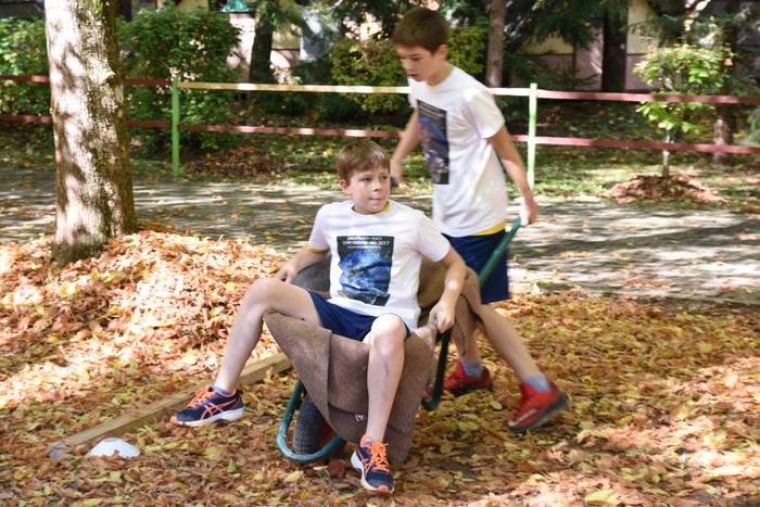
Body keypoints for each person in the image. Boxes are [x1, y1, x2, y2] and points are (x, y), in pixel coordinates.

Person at [171, 139, 467, 495]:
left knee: (389, 328)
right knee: (262, 289)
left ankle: (370, 446)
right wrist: (294, 264)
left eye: (383, 178)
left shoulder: (412, 221)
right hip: (338, 311)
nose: (377, 187)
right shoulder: (331, 215)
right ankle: (224, 394)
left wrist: (448, 300)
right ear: (345, 185)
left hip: (385, 320)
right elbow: (316, 249)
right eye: (366, 179)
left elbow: (456, 264)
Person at [390, 7, 568, 432]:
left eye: (416, 58)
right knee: (455, 298)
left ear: (440, 51)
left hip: (479, 216)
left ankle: (538, 387)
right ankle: (471, 370)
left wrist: (527, 199)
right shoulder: (421, 82)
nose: (409, 66)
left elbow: (506, 149)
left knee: (475, 304)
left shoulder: (470, 94)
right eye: (403, 59)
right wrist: (398, 157)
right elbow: (420, 115)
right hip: (447, 212)